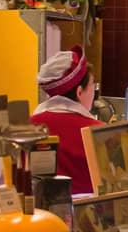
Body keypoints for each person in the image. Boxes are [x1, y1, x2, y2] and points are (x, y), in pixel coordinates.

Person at [30, 46, 100, 196]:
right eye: (92, 86)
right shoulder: (100, 132)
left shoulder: (24, 130)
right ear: (79, 92)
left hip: (40, 216)